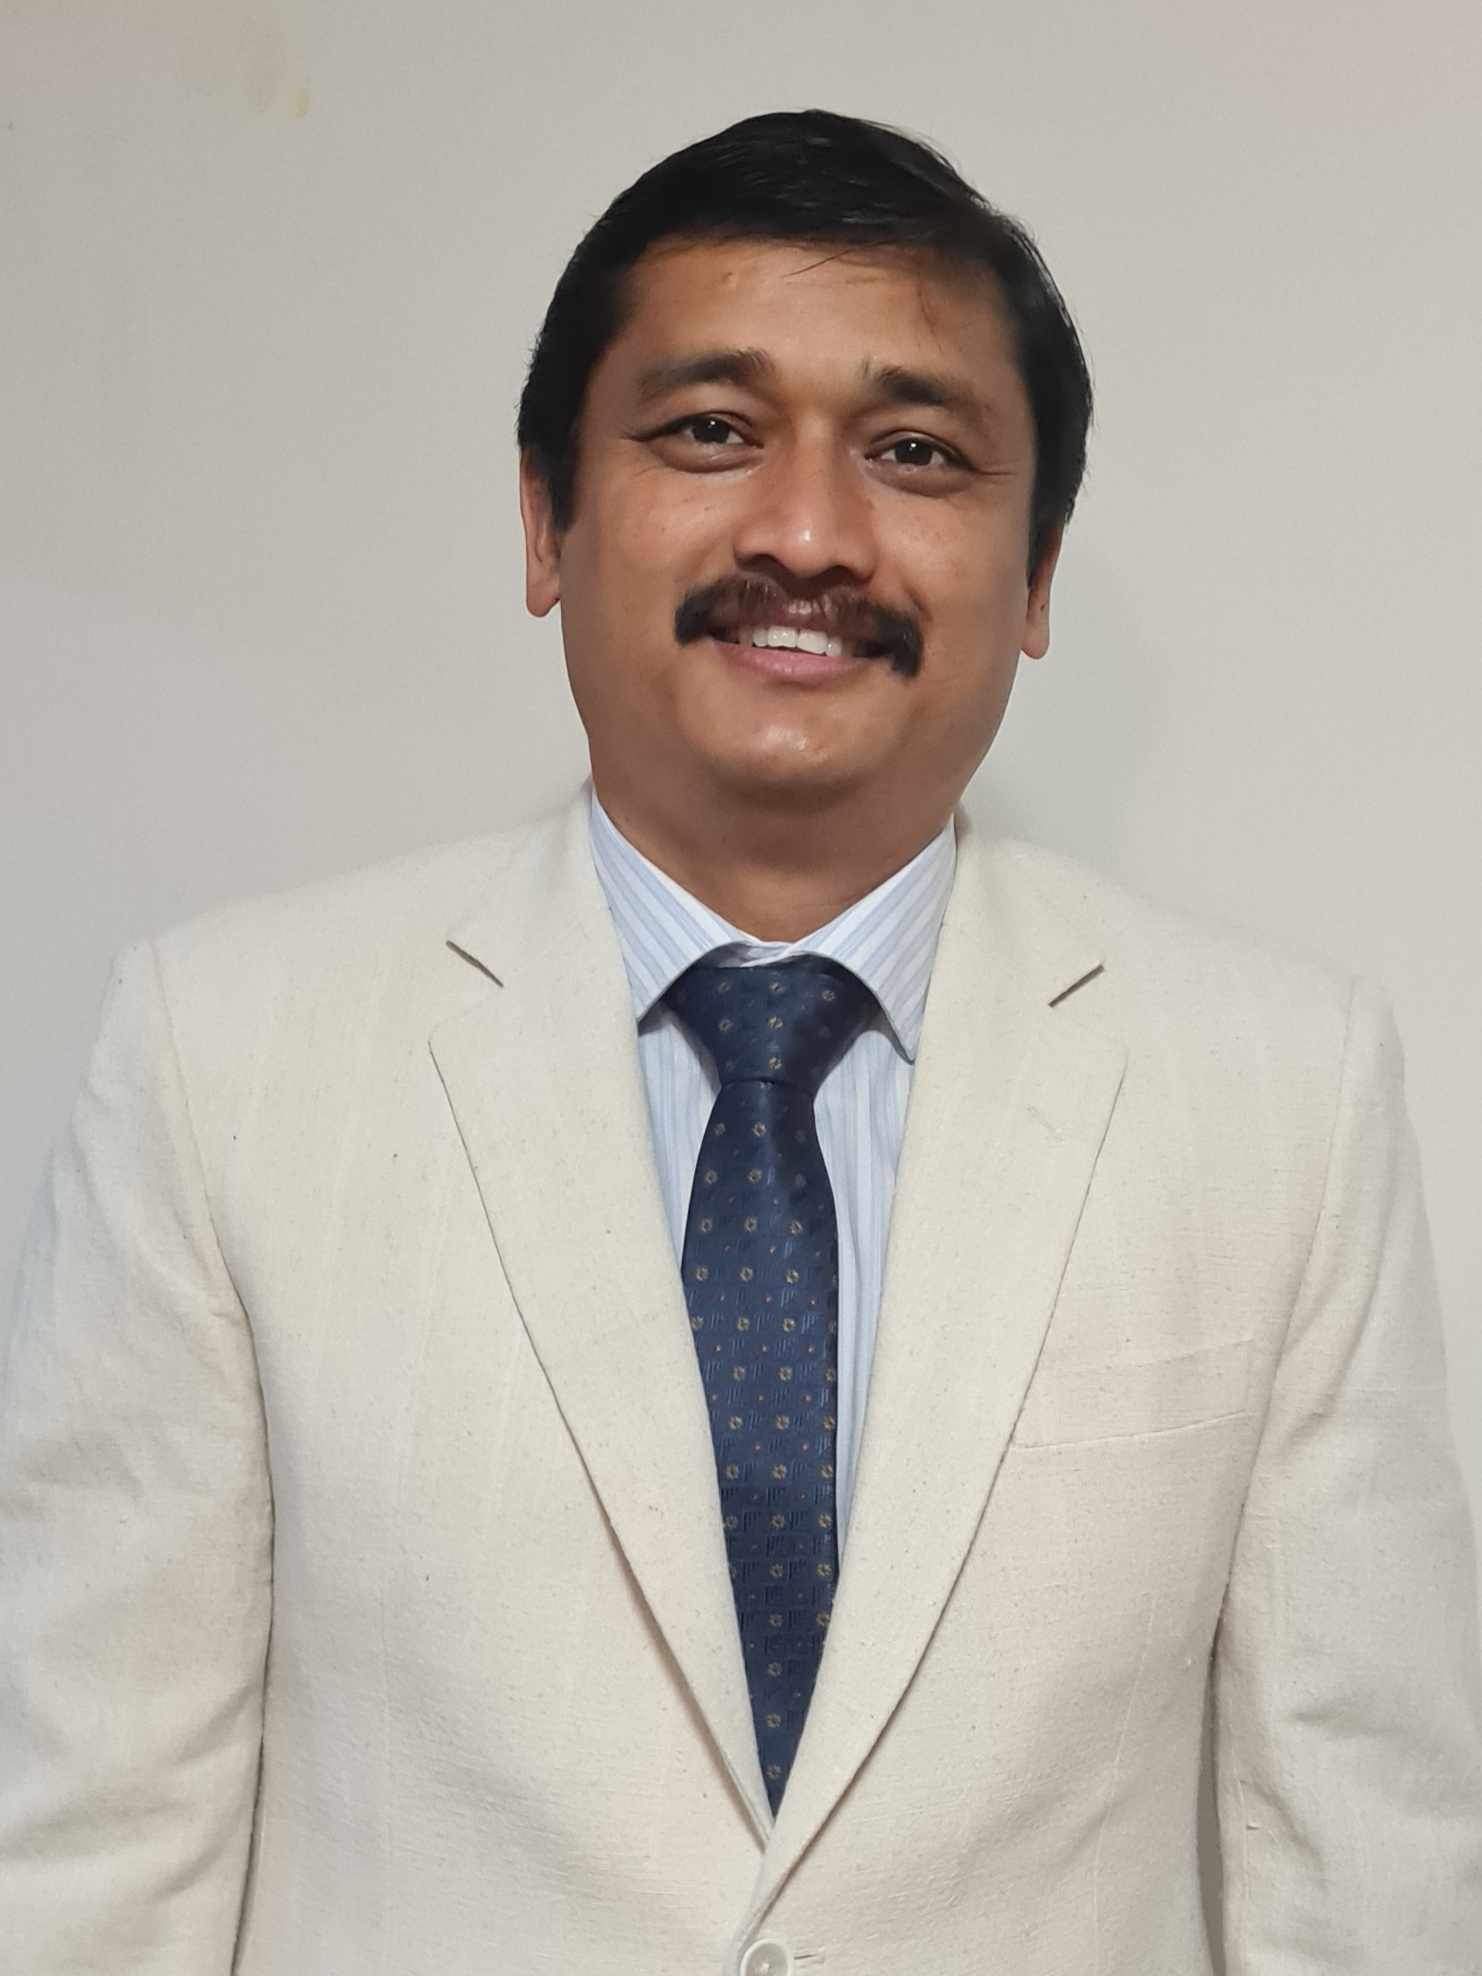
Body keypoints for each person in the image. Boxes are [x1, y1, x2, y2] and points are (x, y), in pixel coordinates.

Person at [2, 108, 1479, 1976]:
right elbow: (90, 1847)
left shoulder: (1280, 1095)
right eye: (710, 430)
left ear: (1033, 577)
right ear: (545, 520)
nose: (805, 535)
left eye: (915, 452)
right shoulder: (224, 1056)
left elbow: (1364, 1869)